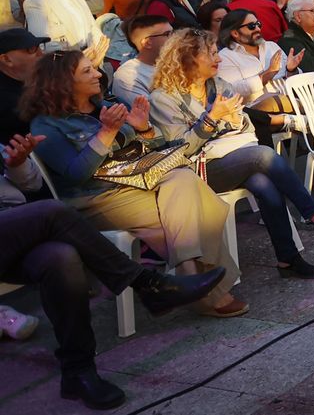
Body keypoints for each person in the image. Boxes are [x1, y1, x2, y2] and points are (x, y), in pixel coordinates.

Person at [0, 136, 226, 410]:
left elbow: (31, 185)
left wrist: (18, 163)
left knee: (61, 257)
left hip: (15, 230)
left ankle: (78, 371)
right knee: (53, 212)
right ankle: (148, 285)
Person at [25, 51, 249, 317]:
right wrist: (106, 133)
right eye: (87, 71)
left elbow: (155, 150)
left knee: (184, 180)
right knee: (195, 207)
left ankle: (188, 273)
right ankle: (207, 291)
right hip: (96, 198)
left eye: (94, 68)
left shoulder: (108, 103)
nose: (98, 74)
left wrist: (143, 129)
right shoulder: (46, 126)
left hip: (143, 182)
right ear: (61, 82)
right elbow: (76, 175)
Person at [147, 29, 314, 278]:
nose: (217, 58)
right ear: (187, 58)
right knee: (263, 155)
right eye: (210, 54)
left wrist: (224, 122)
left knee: (263, 184)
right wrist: (212, 120)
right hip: (196, 170)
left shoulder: (218, 85)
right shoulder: (164, 98)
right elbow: (180, 150)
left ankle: (288, 259)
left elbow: (245, 125)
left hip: (235, 154)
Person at [111, 15, 174, 105]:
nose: (175, 38)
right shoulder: (128, 77)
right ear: (147, 43)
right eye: (167, 34)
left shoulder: (174, 62)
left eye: (173, 32)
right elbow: (152, 114)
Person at [0, 28, 47, 141]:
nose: (42, 54)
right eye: (31, 49)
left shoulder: (31, 78)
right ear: (6, 59)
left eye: (39, 47)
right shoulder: (8, 102)